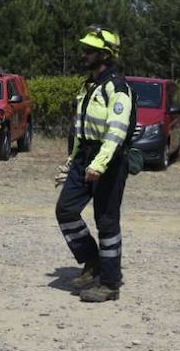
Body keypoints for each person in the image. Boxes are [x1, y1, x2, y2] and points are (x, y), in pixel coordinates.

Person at [55, 26, 132, 303]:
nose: (84, 53)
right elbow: (80, 129)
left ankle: (110, 284)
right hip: (84, 157)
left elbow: (116, 132)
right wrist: (71, 161)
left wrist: (99, 164)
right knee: (65, 210)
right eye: (85, 49)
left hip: (109, 160)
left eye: (90, 50)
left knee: (107, 222)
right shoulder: (89, 86)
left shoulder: (117, 88)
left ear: (106, 55)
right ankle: (92, 260)